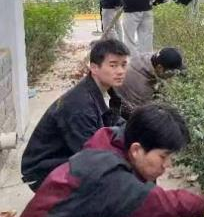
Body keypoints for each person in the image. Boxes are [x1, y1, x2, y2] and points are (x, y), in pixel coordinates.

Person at [13, 104, 204, 217]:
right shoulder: (106, 173)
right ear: (137, 150)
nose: (167, 165)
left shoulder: (120, 145)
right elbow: (160, 204)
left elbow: (150, 214)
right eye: (163, 156)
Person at [21, 39, 129, 192]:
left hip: (68, 156)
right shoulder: (80, 106)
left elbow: (114, 121)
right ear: (94, 68)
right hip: (44, 172)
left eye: (123, 65)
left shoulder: (104, 89)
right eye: (113, 65)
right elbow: (91, 156)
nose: (120, 71)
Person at [114, 47, 186, 119]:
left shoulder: (150, 58)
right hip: (122, 107)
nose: (173, 76)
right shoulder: (143, 87)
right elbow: (141, 115)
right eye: (172, 72)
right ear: (160, 68)